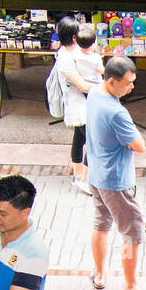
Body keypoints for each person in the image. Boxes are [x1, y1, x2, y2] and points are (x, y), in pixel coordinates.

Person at [84, 56, 146, 290]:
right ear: (112, 81)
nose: (131, 88)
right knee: (132, 233)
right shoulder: (116, 112)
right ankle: (129, 286)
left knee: (101, 223)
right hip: (116, 181)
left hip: (95, 173)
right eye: (127, 83)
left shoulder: (94, 93)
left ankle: (100, 274)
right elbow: (138, 145)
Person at [48, 17, 96, 195]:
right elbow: (83, 86)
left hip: (79, 105)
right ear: (74, 37)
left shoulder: (68, 53)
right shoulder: (65, 59)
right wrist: (104, 86)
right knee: (93, 142)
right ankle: (84, 178)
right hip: (79, 107)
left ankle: (78, 175)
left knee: (79, 139)